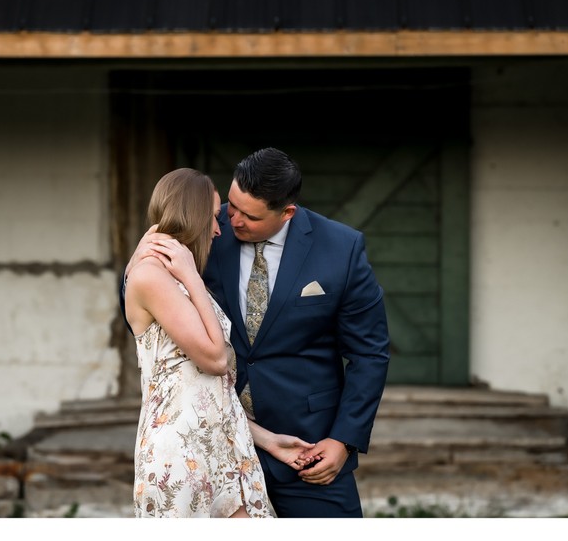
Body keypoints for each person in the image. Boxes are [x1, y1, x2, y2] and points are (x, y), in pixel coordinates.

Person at [126, 148, 390, 518]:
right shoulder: (206, 227)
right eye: (231, 205)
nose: (231, 220)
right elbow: (148, 309)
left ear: (287, 213)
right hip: (213, 446)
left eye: (249, 215)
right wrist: (141, 254)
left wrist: (343, 440)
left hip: (305, 447)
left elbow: (369, 354)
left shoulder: (341, 249)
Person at [123, 167, 316, 518]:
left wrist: (268, 440)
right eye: (213, 217)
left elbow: (207, 389)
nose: (218, 228)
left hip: (222, 448)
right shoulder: (153, 274)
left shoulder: (174, 272)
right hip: (180, 455)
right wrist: (190, 276)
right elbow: (214, 360)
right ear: (194, 216)